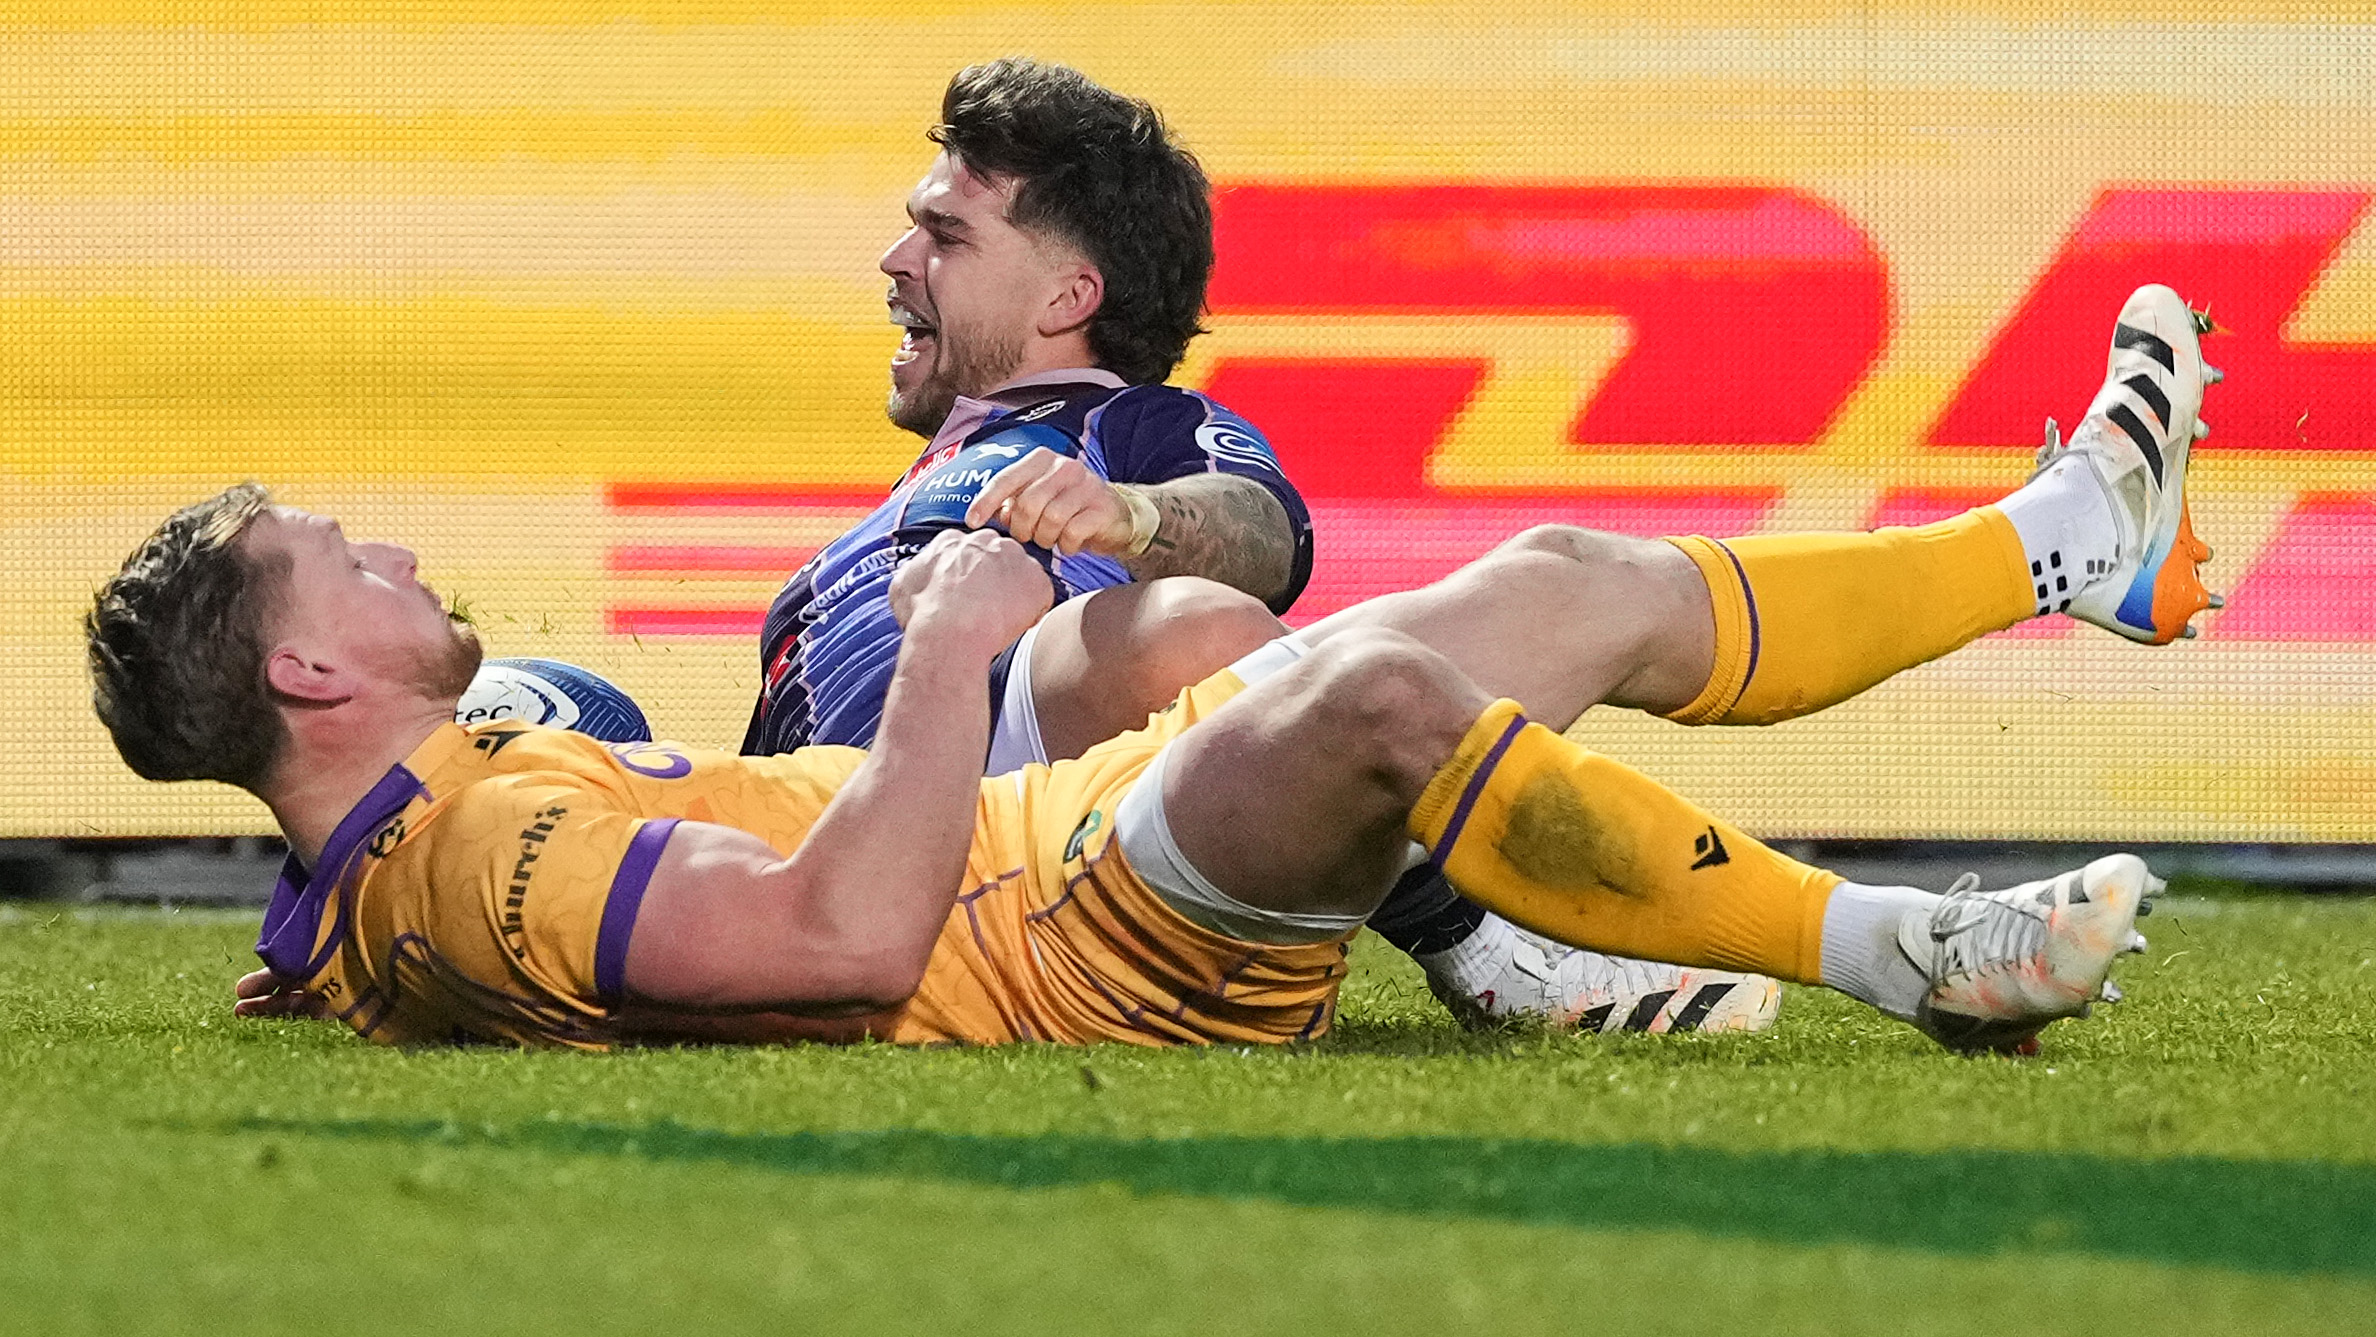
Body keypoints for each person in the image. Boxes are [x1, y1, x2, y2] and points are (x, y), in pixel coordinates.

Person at [89, 284, 2216, 1056]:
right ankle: (1905, 947)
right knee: (1371, 704)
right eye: (345, 559)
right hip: (1073, 930)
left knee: (1570, 578)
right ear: (305, 663)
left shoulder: (411, 841)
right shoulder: (472, 855)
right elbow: (840, 941)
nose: (395, 551)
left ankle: (2060, 542)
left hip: (1070, 839)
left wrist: (325, 939)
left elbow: (396, 898)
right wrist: (954, 645)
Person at [744, 56, 1770, 1033]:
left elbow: (1267, 537)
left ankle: (1488, 943)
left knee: (1225, 622)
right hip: (838, 862)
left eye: (945, 235)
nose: (897, 260)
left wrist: (1133, 516)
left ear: (1069, 298)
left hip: (1031, 825)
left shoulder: (1127, 423)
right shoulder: (853, 549)